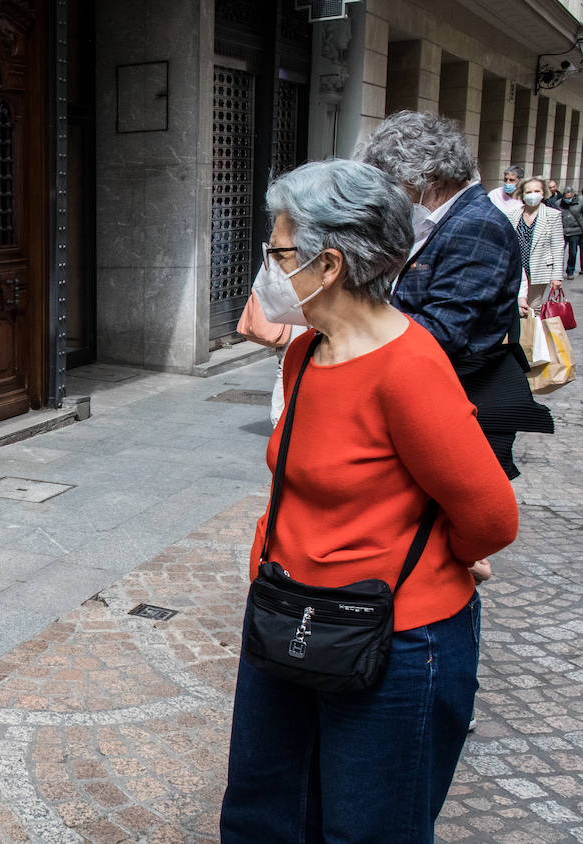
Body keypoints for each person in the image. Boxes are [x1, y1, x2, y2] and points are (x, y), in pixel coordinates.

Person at [220, 159, 519, 843]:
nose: (270, 266)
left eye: (279, 252)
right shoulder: (306, 355)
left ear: (328, 266)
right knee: (263, 816)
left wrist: (451, 556)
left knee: (367, 828)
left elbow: (493, 515)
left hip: (391, 638)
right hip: (287, 615)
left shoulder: (409, 367)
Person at [357, 111, 552, 491]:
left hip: (457, 394)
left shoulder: (474, 224)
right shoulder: (443, 220)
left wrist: (356, 317)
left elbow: (444, 331)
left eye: (393, 182)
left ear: (424, 176)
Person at [508, 177, 567, 311]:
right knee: (514, 307)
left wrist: (557, 276)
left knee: (534, 307)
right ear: (522, 194)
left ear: (543, 193)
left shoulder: (552, 215)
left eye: (536, 191)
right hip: (517, 269)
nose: (532, 195)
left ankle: (532, 332)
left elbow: (557, 246)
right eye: (528, 192)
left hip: (539, 269)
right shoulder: (513, 215)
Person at [561, 186, 583, 278]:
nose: (568, 200)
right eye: (566, 198)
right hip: (563, 231)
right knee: (560, 252)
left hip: (575, 231)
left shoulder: (580, 203)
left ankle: (570, 271)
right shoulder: (559, 203)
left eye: (569, 198)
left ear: (573, 195)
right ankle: (557, 271)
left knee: (573, 252)